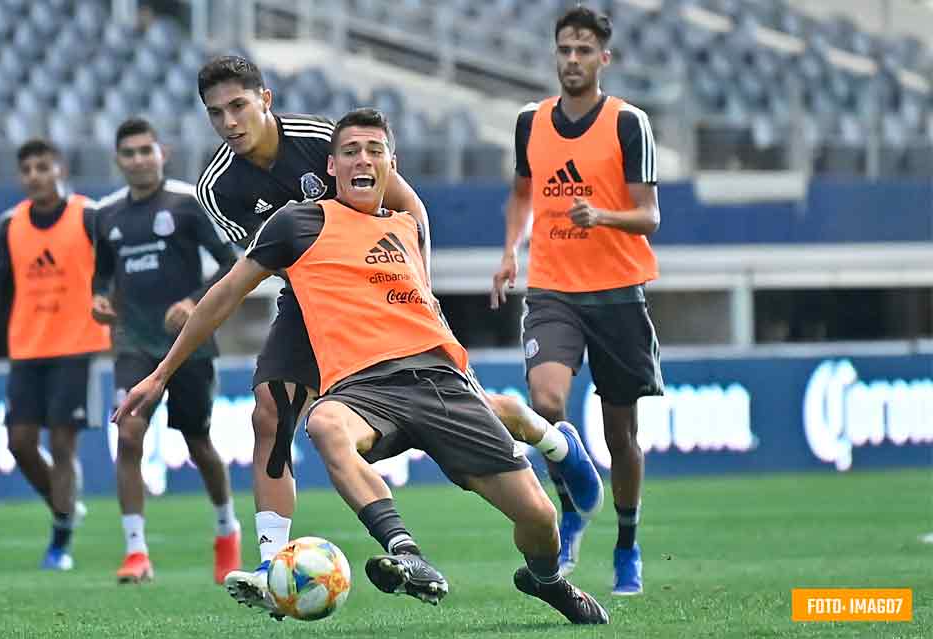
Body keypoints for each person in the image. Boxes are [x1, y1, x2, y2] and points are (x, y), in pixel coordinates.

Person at [117, 108, 609, 625]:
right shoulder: (296, 224)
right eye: (350, 151)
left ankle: (546, 579)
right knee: (324, 422)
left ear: (390, 167)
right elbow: (223, 295)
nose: (362, 160)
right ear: (331, 167)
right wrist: (160, 374)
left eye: (374, 151)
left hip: (442, 382)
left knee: (540, 518)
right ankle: (407, 551)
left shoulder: (409, 226)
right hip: (362, 390)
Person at [490, 6, 664, 596]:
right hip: (553, 289)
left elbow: (650, 215)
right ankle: (573, 508)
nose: (572, 60)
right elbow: (522, 194)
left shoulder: (628, 124)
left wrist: (605, 216)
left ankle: (627, 545)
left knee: (621, 434)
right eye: (564, 49)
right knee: (545, 400)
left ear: (603, 58)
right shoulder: (529, 122)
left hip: (617, 294)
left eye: (584, 50)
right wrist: (513, 248)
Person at [90, 117, 241, 584]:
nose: (138, 160)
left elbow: (231, 265)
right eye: (129, 153)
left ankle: (226, 531)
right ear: (118, 160)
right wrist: (98, 298)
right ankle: (136, 552)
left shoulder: (188, 203)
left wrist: (194, 302)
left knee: (198, 444)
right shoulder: (106, 214)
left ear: (163, 152)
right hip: (134, 344)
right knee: (129, 435)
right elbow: (102, 274)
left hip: (188, 344)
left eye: (145, 151)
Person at [0, 138, 110, 571]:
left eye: (43, 167)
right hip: (27, 348)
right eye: (27, 169)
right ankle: (65, 507)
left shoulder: (88, 216)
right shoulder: (10, 224)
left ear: (60, 170)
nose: (35, 176)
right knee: (19, 443)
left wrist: (110, 303)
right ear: (19, 176)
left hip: (76, 345)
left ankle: (59, 544)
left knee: (63, 443)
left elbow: (113, 269)